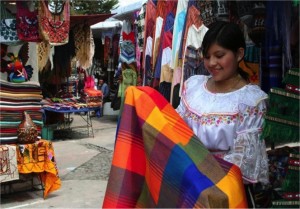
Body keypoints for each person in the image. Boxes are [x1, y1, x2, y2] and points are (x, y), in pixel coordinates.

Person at [176, 21, 269, 207]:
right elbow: (175, 129)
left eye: (219, 55)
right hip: (186, 186)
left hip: (225, 192)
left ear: (239, 54)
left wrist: (200, 173)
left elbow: (243, 161)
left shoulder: (252, 101)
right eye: (207, 56)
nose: (211, 63)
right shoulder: (193, 87)